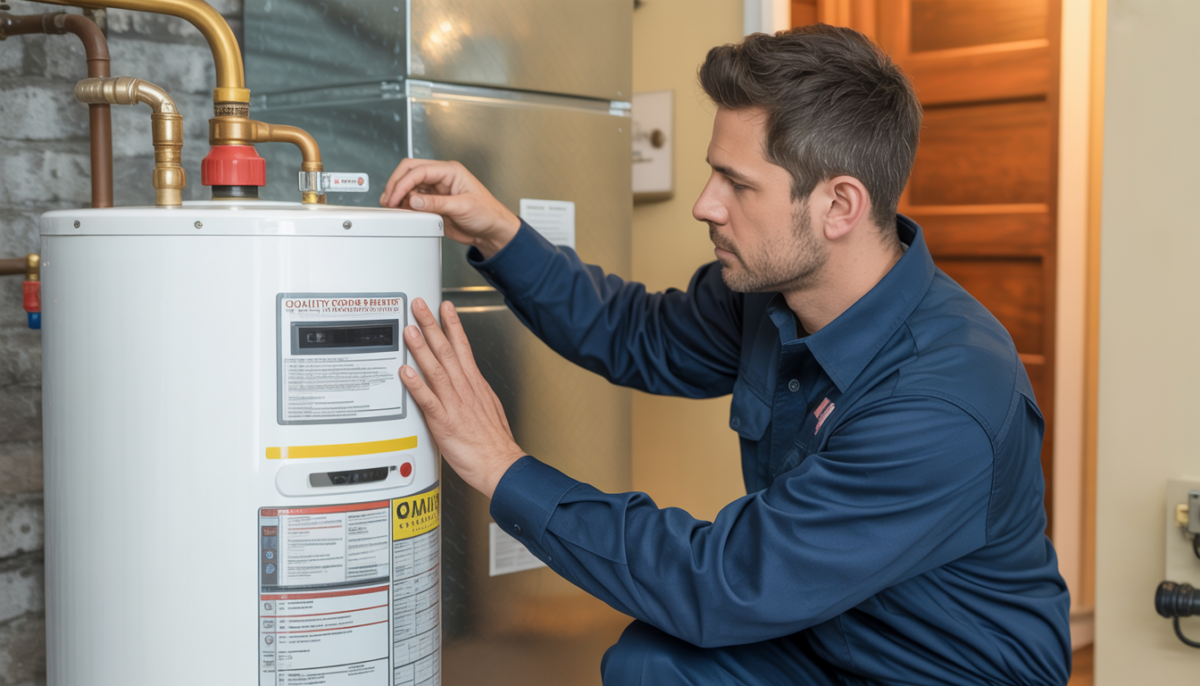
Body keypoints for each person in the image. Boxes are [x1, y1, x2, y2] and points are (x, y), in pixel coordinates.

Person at [381, 24, 1071, 686]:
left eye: (736, 184)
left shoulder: (941, 403)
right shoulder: (772, 295)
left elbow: (724, 583)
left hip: (939, 672)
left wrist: (503, 469)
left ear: (840, 206)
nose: (704, 206)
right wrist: (500, 232)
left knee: (686, 623)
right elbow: (637, 334)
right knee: (653, 662)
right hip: (826, 637)